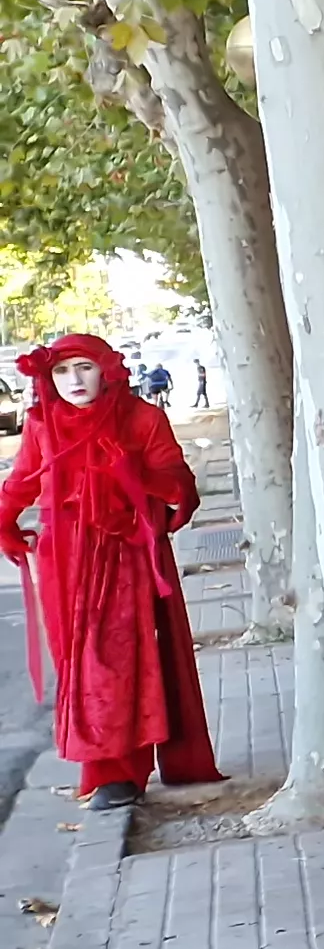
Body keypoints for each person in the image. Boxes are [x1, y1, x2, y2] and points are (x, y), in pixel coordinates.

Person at [0, 335, 221, 809]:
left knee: (116, 663)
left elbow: (180, 488)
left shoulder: (143, 418)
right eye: (61, 371)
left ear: (106, 369)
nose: (74, 380)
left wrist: (135, 475)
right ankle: (105, 767)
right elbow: (21, 482)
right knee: (76, 665)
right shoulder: (43, 423)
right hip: (62, 559)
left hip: (124, 554)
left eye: (84, 367)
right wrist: (5, 523)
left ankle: (118, 773)